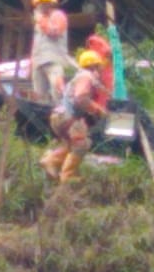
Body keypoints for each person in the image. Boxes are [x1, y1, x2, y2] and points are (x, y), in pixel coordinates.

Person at [40, 49, 108, 185]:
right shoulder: (87, 77)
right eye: (100, 67)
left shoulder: (78, 76)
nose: (101, 70)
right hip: (68, 117)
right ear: (94, 66)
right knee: (82, 144)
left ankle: (51, 161)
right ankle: (68, 176)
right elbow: (81, 98)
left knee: (72, 145)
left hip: (58, 116)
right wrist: (98, 110)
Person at [31, 0, 70, 104]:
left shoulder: (58, 16)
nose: (40, 7)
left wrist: (41, 21)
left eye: (43, 4)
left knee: (57, 92)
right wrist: (32, 61)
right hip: (39, 62)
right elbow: (37, 44)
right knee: (40, 97)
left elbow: (54, 32)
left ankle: (63, 115)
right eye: (39, 4)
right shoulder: (39, 22)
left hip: (53, 61)